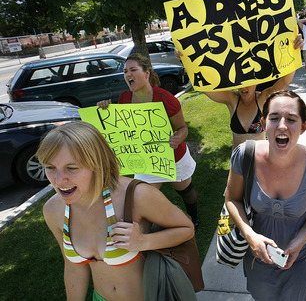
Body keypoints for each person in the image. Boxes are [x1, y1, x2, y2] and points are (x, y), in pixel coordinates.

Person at [39, 121, 194, 300]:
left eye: (71, 168)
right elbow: (73, 267)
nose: (58, 180)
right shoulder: (53, 210)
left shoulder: (136, 195)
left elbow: (186, 229)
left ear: (97, 164)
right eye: (50, 168)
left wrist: (144, 241)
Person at [225, 90, 306, 300]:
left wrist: (300, 241)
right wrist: (251, 236)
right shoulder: (244, 155)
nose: (282, 125)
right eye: (274, 118)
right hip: (258, 261)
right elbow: (231, 199)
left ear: (303, 126)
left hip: (302, 262)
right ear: (264, 123)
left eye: (291, 119)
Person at [97, 53, 199, 228]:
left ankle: (194, 219)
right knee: (141, 198)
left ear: (146, 73)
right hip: (146, 160)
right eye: (125, 71)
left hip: (173, 157)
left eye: (133, 70)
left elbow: (183, 129)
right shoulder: (124, 99)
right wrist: (106, 109)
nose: (128, 74)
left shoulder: (166, 98)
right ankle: (143, 232)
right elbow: (121, 129)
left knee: (185, 191)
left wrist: (177, 138)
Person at [175, 35, 304, 150]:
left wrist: (294, 50)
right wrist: (185, 60)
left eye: (248, 82)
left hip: (262, 164)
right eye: (239, 83)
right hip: (238, 166)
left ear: (256, 82)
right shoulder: (232, 100)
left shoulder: (263, 99)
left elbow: (285, 81)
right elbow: (203, 86)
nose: (243, 87)